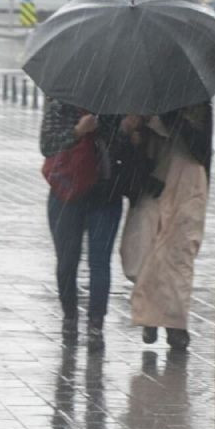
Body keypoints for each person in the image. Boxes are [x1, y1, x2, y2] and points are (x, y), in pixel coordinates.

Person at [39, 100, 153, 351]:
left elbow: (123, 154)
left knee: (99, 262)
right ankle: (70, 317)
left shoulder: (116, 100)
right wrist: (78, 131)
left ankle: (95, 325)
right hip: (66, 193)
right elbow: (46, 145)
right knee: (67, 261)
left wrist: (126, 131)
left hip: (105, 194)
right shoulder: (61, 101)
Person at [119, 103, 212, 352]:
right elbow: (126, 147)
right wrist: (136, 132)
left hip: (187, 181)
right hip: (152, 179)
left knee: (177, 254)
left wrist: (169, 118)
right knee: (142, 248)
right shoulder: (140, 93)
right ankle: (150, 314)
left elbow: (199, 146)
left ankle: (175, 325)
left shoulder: (196, 100)